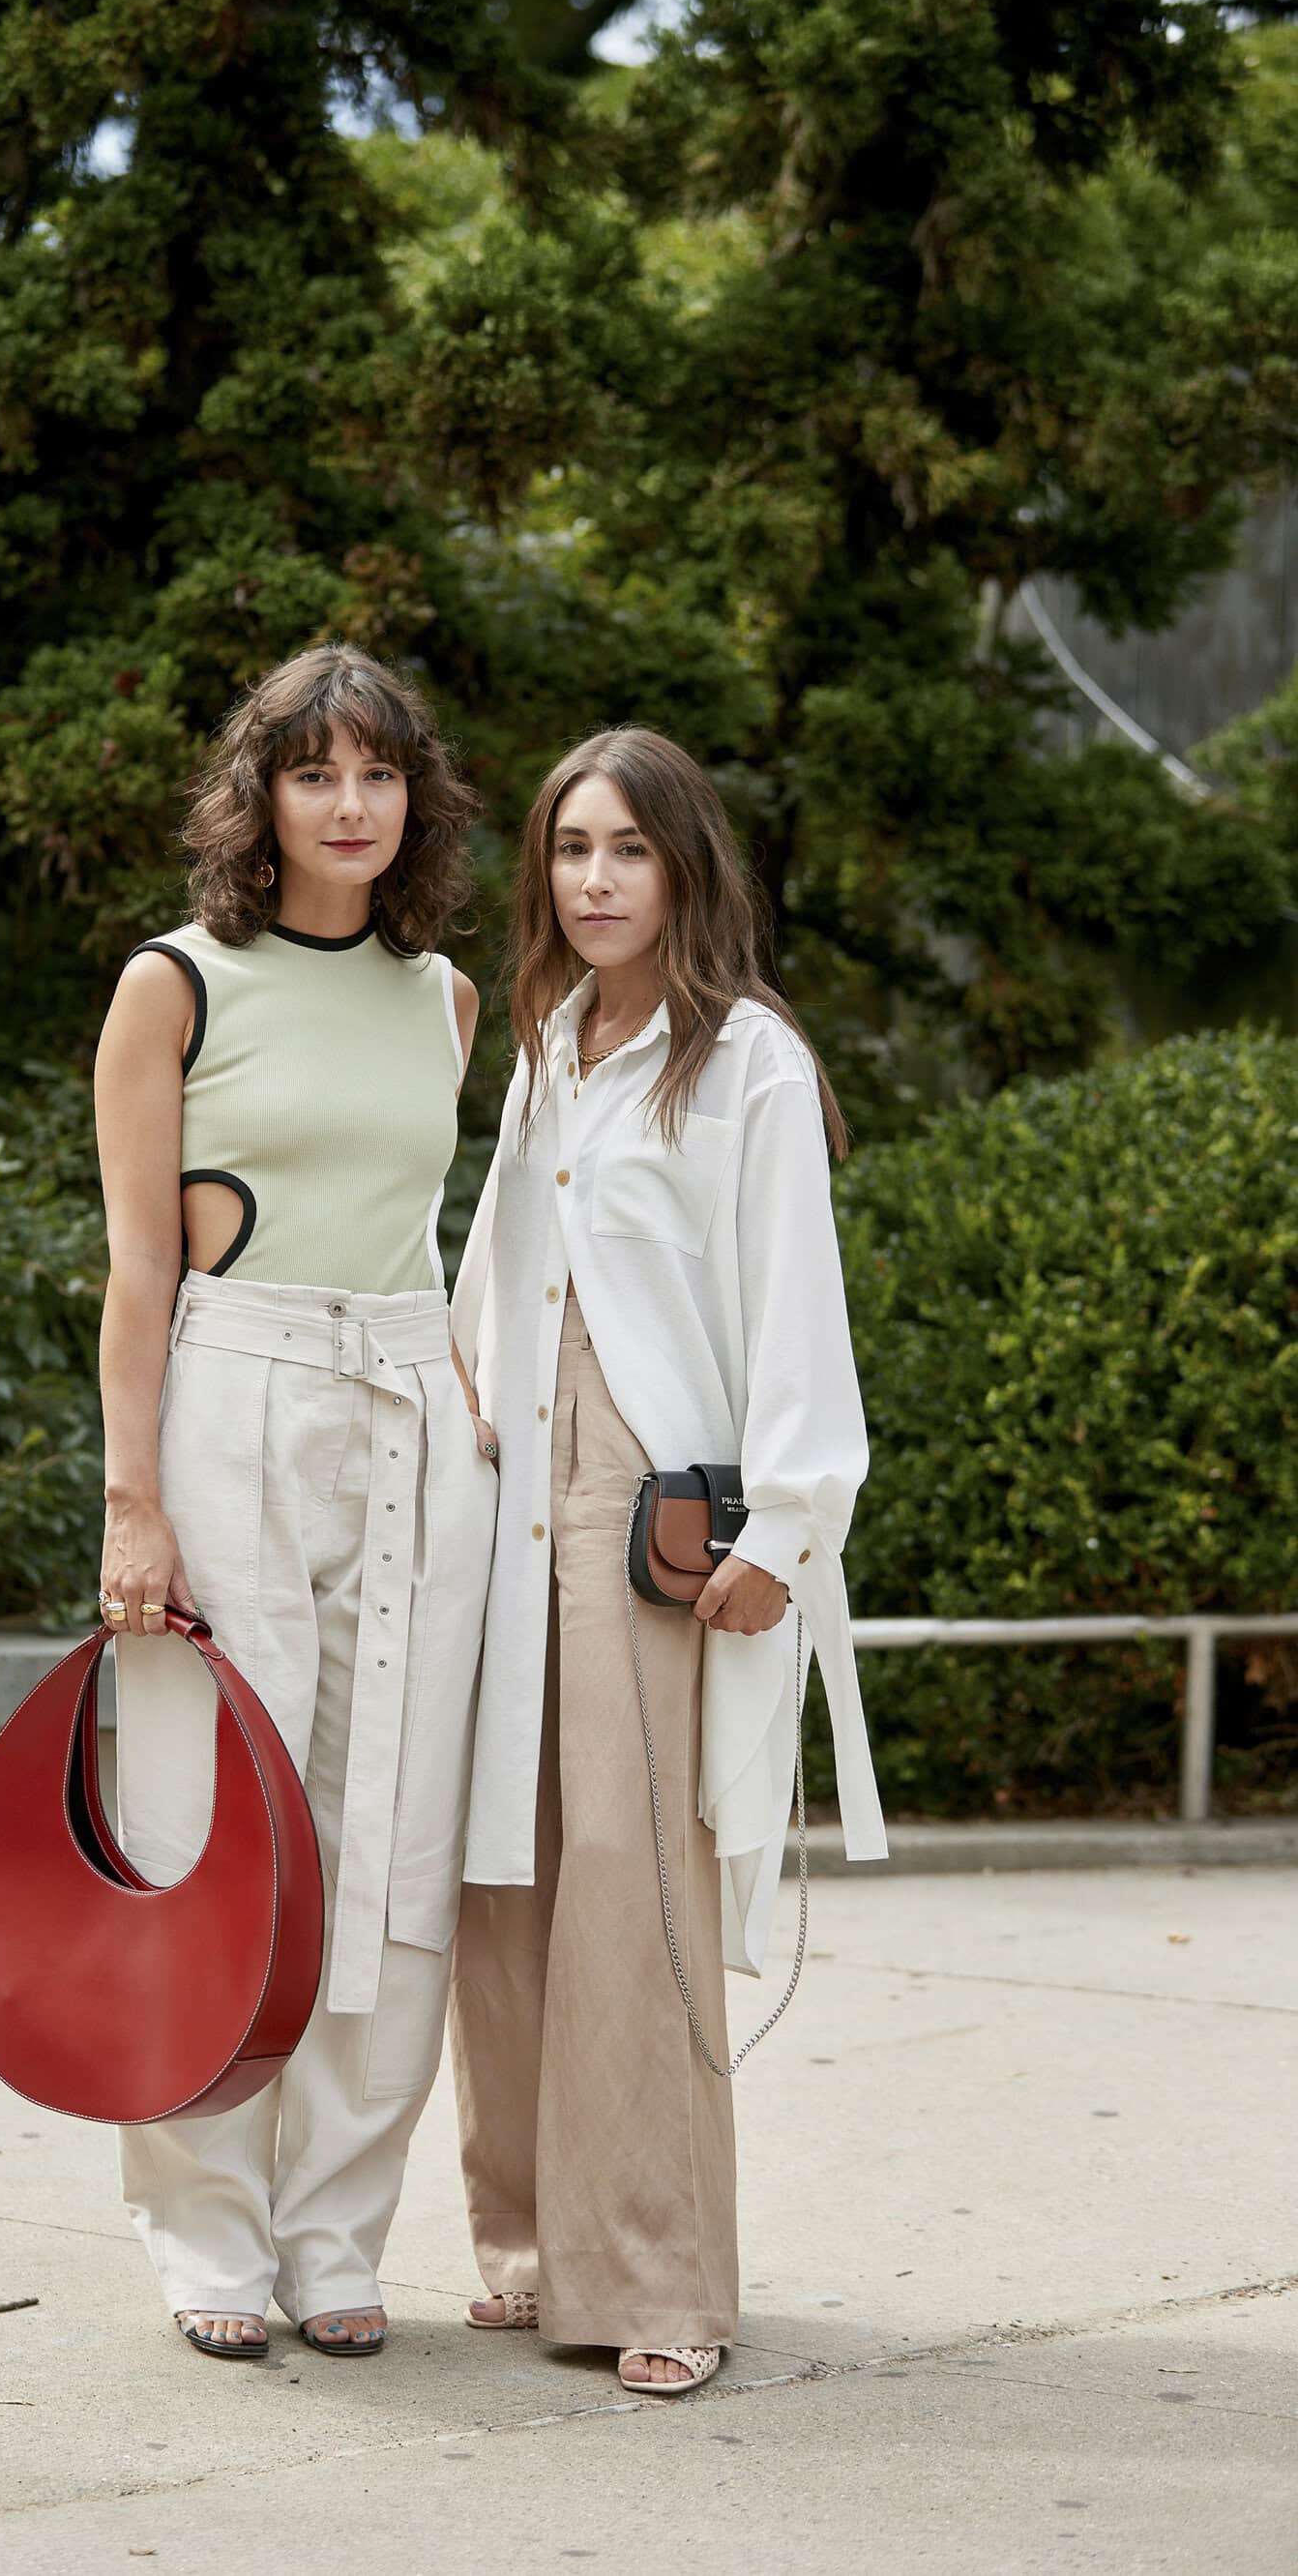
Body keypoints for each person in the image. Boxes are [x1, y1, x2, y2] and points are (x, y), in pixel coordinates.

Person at [447, 725, 887, 2397]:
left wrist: (788, 1525)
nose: (596, 878)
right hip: (515, 1488)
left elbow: (795, 1304)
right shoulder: (549, 1045)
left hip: (652, 1510)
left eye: (629, 848)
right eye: (572, 848)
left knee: (638, 1884)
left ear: (686, 865)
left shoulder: (746, 1060)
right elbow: (497, 1269)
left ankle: (660, 2279)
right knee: (508, 1876)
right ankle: (528, 2242)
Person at [93, 643, 500, 2362]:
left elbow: (431, 1242)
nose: (350, 804)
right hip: (232, 1394)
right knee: (207, 1821)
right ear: (259, 796)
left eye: (379, 774)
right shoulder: (174, 984)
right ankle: (208, 2237)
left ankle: (338, 2235)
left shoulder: (447, 999)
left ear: (416, 801)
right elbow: (136, 1271)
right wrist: (131, 1499)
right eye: (315, 772)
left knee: (389, 1832)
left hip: (413, 1409)